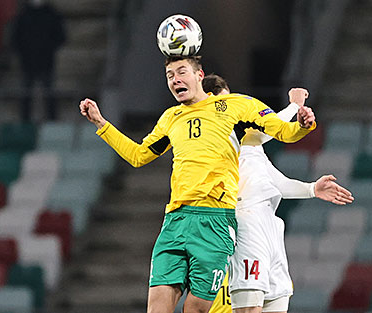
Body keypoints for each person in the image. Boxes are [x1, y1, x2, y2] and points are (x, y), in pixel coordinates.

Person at [79, 55, 316, 313]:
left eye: (182, 72)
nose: (175, 79)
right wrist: (101, 124)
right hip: (176, 221)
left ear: (199, 76)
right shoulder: (171, 118)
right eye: (170, 75)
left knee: (196, 309)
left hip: (215, 222)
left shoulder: (235, 106)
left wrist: (303, 125)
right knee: (156, 309)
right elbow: (138, 156)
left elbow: (283, 131)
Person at [202, 74, 354, 313]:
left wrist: (312, 188)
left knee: (277, 304)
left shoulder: (252, 146)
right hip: (246, 221)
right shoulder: (215, 137)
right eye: (221, 105)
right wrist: (294, 106)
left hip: (270, 225)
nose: (230, 111)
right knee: (249, 308)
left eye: (229, 103)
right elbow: (265, 130)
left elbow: (275, 182)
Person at [11, 0, 66, 121]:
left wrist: (48, 48)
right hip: (27, 61)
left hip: (46, 61)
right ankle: (24, 123)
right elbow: (15, 38)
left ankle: (53, 122)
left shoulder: (52, 13)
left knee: (49, 92)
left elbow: (61, 36)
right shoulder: (22, 14)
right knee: (26, 94)